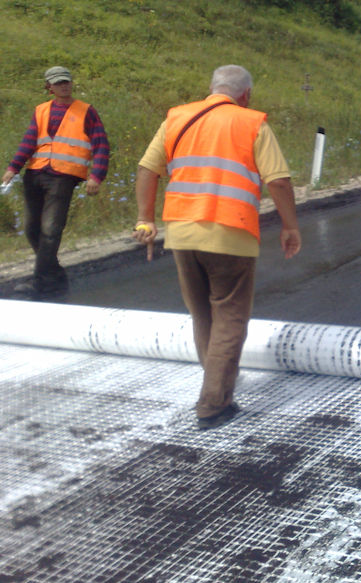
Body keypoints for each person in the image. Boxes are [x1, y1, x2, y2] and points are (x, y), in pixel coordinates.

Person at [133, 64, 302, 430]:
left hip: (182, 232)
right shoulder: (252, 122)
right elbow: (278, 181)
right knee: (229, 318)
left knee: (203, 315)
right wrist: (290, 226)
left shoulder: (176, 118)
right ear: (246, 95)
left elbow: (147, 169)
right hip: (229, 232)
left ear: (212, 88)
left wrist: (145, 219)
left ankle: (218, 379)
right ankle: (213, 404)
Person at [2, 66, 109, 297]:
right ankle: (55, 276)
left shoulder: (86, 111)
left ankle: (40, 283)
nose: (64, 86)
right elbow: (29, 141)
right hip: (35, 173)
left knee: (50, 230)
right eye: (58, 83)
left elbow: (101, 144)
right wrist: (13, 168)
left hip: (63, 176)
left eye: (66, 81)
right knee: (32, 229)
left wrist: (96, 175)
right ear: (49, 87)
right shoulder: (41, 110)